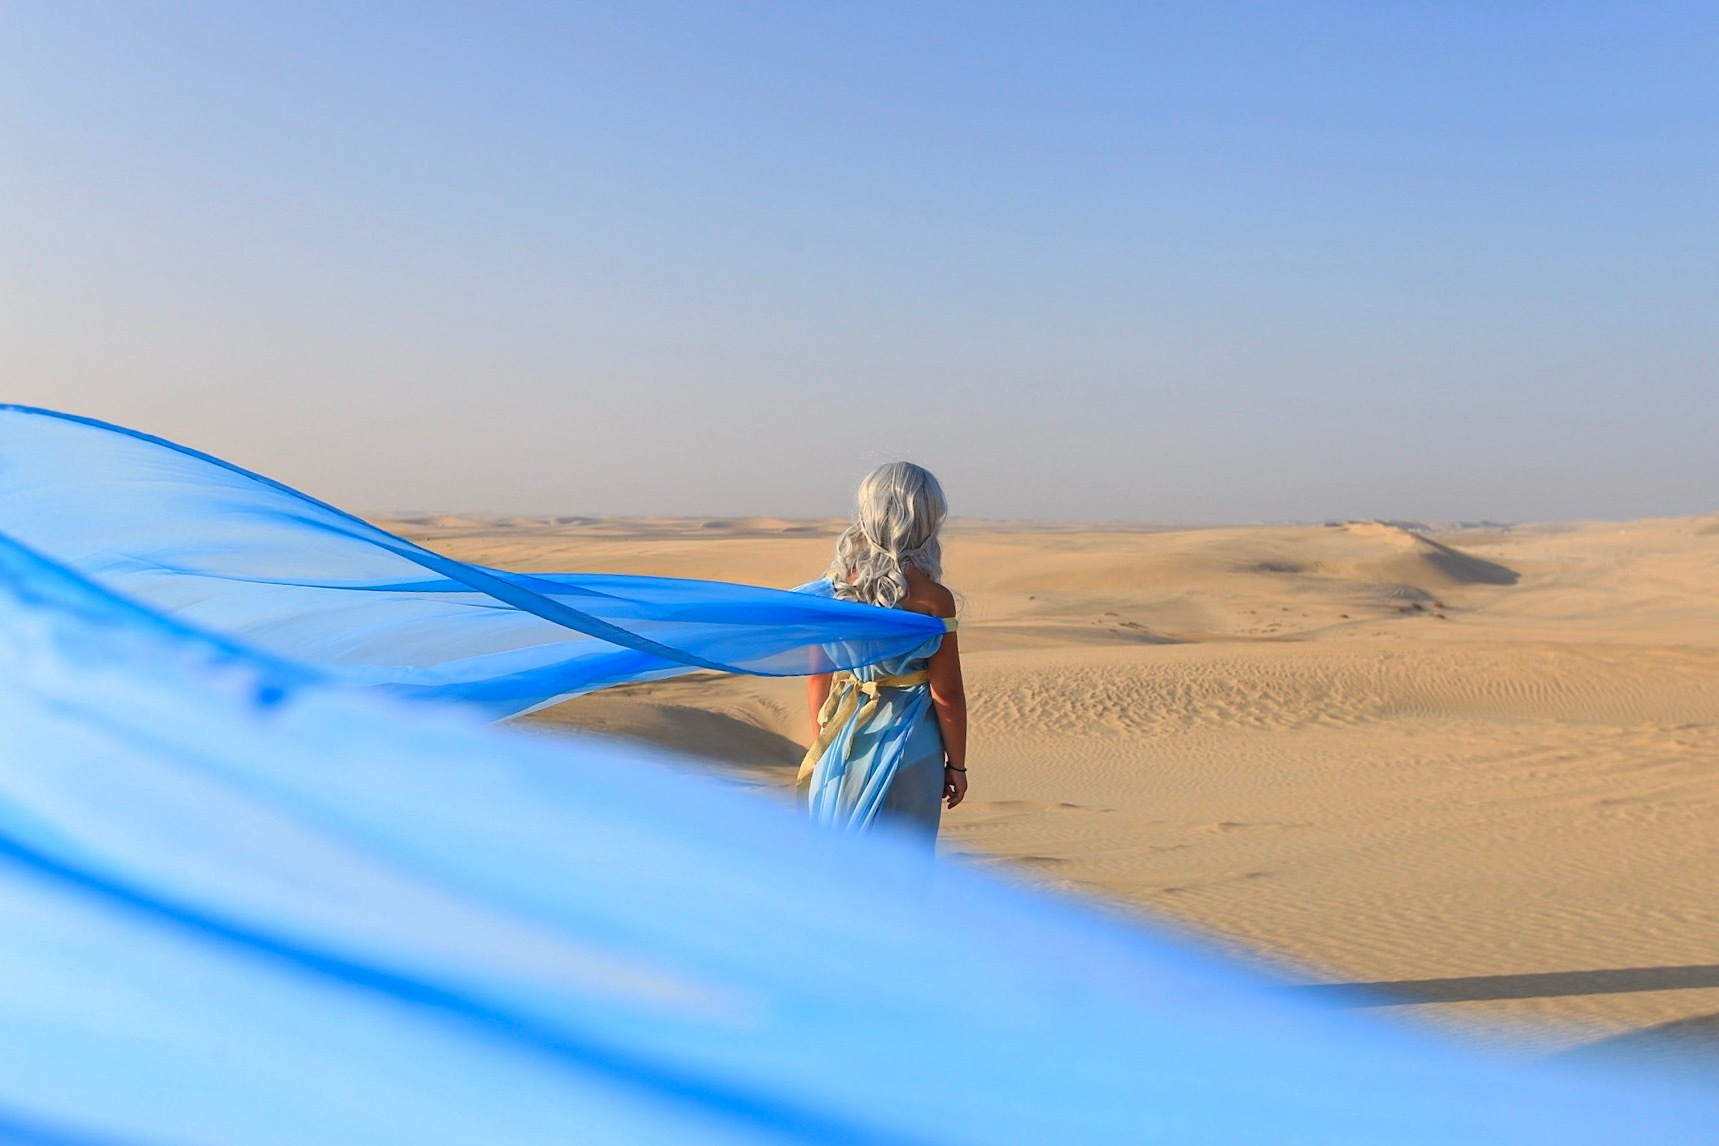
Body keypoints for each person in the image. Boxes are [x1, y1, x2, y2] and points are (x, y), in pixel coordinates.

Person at [799, 462, 966, 844]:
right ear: (925, 519)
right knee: (903, 874)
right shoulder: (932, 600)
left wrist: (826, 744)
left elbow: (817, 679)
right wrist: (957, 766)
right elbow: (948, 694)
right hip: (912, 746)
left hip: (843, 741)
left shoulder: (831, 593)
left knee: (840, 869)